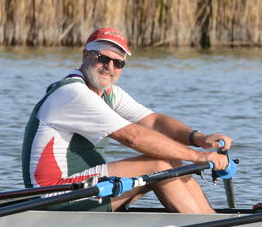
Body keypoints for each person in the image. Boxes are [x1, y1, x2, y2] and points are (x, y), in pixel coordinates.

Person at [22, 27, 233, 213]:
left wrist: (198, 138)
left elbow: (154, 121)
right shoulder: (74, 94)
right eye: (103, 59)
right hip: (57, 194)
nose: (110, 67)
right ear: (86, 55)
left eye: (118, 63)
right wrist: (198, 157)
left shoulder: (109, 94)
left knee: (170, 159)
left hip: (86, 188)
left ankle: (207, 219)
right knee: (159, 163)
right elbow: (132, 137)